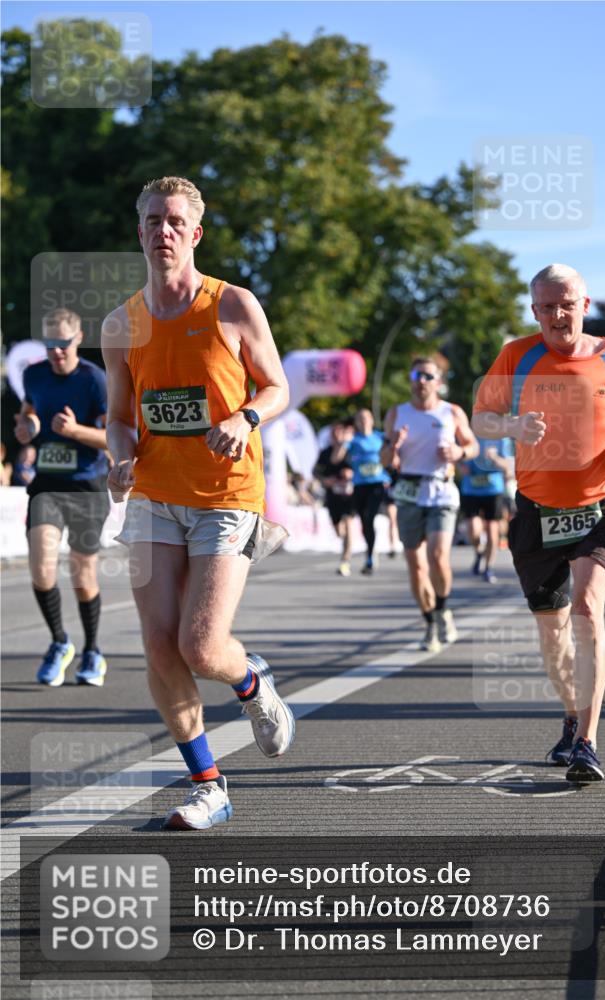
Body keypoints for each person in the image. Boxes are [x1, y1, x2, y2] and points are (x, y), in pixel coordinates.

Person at [103, 175, 295, 831]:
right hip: (155, 492)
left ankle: (251, 683)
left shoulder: (233, 305)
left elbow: (278, 389)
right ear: (140, 231)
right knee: (159, 648)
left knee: (201, 644)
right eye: (152, 219)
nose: (163, 230)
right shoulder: (119, 323)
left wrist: (244, 418)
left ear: (195, 234)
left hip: (226, 493)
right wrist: (119, 454)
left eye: (175, 221)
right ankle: (208, 785)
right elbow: (120, 417)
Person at [472, 263, 605, 782]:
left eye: (567, 303)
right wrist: (511, 425)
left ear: (585, 304)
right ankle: (572, 716)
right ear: (535, 311)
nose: (558, 314)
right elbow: (480, 417)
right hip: (536, 509)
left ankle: (587, 742)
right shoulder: (517, 355)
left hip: (599, 505)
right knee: (553, 634)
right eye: (548, 306)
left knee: (586, 609)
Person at [14, 308, 110, 686]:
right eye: (50, 344)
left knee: (83, 577)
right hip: (48, 485)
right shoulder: (32, 374)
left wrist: (74, 431)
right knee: (41, 569)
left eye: (63, 344)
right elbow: (27, 417)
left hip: (87, 485)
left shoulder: (94, 380)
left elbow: (111, 438)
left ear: (78, 339)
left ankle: (93, 651)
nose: (56, 352)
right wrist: (27, 430)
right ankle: (59, 642)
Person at [382, 357, 478, 652]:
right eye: (416, 374)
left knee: (437, 557)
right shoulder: (397, 413)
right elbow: (386, 461)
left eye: (427, 375)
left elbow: (473, 447)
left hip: (442, 492)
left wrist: (458, 452)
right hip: (409, 491)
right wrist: (393, 446)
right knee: (416, 567)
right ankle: (429, 623)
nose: (421, 380)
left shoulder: (452, 412)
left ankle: (443, 609)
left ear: (438, 382)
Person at [459, 437, 514, 583]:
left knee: (492, 530)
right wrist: (461, 466)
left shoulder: (502, 439)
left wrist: (495, 457)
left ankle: (488, 567)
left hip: (493, 490)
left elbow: (508, 467)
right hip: (471, 489)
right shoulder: (469, 435)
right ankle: (479, 552)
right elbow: (459, 457)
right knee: (473, 529)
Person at [346, 408, 390, 575]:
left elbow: (393, 455)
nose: (363, 421)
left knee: (369, 516)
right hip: (359, 485)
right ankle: (371, 549)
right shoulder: (353, 440)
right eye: (360, 418)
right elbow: (339, 459)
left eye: (366, 418)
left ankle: (370, 557)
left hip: (378, 484)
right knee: (364, 522)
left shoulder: (380, 437)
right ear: (356, 422)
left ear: (372, 420)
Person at [315, 420, 355, 576]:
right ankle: (345, 542)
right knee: (339, 530)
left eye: (340, 432)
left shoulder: (351, 451)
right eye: (334, 433)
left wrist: (351, 475)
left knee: (349, 526)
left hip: (350, 495)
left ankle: (345, 561)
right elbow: (316, 471)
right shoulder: (325, 452)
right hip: (333, 496)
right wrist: (325, 481)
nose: (337, 436)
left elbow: (360, 468)